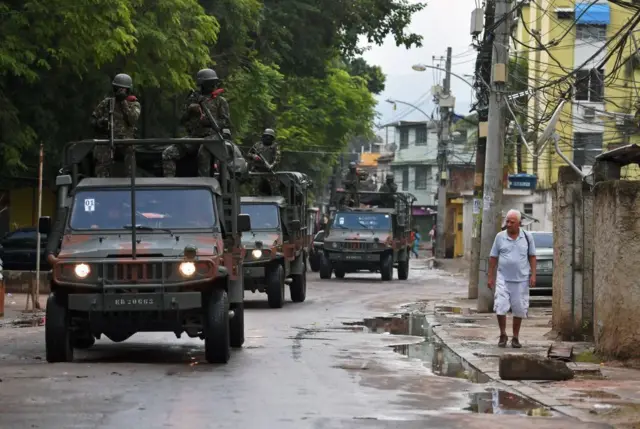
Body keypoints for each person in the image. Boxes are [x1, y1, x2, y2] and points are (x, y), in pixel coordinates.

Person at [163, 68, 231, 177]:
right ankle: (170, 183)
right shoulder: (192, 99)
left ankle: (203, 186)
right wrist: (190, 110)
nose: (212, 85)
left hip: (212, 138)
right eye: (209, 83)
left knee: (203, 155)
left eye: (213, 83)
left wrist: (208, 122)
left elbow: (225, 121)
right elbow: (181, 120)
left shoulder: (220, 101)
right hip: (194, 137)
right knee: (168, 153)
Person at [488, 209, 536, 348]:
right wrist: (490, 277)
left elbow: (532, 257)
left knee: (519, 309)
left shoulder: (527, 237)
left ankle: (515, 337)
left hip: (521, 280)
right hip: (503, 278)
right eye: (507, 221)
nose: (508, 224)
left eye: (511, 222)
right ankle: (503, 334)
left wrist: (533, 275)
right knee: (500, 307)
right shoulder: (500, 237)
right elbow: (493, 258)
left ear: (519, 224)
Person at [90, 73, 141, 178]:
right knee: (101, 154)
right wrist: (100, 123)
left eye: (124, 89)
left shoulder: (134, 104)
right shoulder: (107, 103)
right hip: (108, 139)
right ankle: (101, 181)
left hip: (126, 140)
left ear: (128, 90)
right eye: (119, 89)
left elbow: (132, 119)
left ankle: (130, 181)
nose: (121, 91)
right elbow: (93, 119)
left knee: (130, 152)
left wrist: (124, 103)